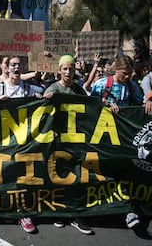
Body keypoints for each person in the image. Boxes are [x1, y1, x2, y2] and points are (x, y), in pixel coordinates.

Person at [90, 55, 148, 229]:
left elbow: (140, 104)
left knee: (124, 173)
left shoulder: (132, 86)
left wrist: (150, 103)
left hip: (124, 138)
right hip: (103, 138)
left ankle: (128, 210)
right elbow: (89, 106)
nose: (128, 76)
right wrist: (104, 103)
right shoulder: (101, 85)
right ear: (116, 69)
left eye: (130, 73)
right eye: (125, 73)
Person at [0, 55, 42, 234]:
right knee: (4, 174)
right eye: (13, 65)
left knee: (23, 176)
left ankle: (23, 213)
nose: (16, 68)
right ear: (7, 69)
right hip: (4, 141)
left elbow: (43, 101)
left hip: (24, 143)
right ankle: (4, 207)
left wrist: (44, 97)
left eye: (19, 65)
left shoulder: (29, 89)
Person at [43, 54, 93, 235]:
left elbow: (91, 107)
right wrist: (45, 98)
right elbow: (40, 110)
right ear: (59, 70)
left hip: (75, 142)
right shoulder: (52, 88)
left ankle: (75, 215)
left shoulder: (79, 90)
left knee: (76, 176)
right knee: (58, 176)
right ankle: (59, 211)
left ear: (74, 71)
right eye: (65, 69)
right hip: (56, 142)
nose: (68, 72)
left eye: (71, 69)